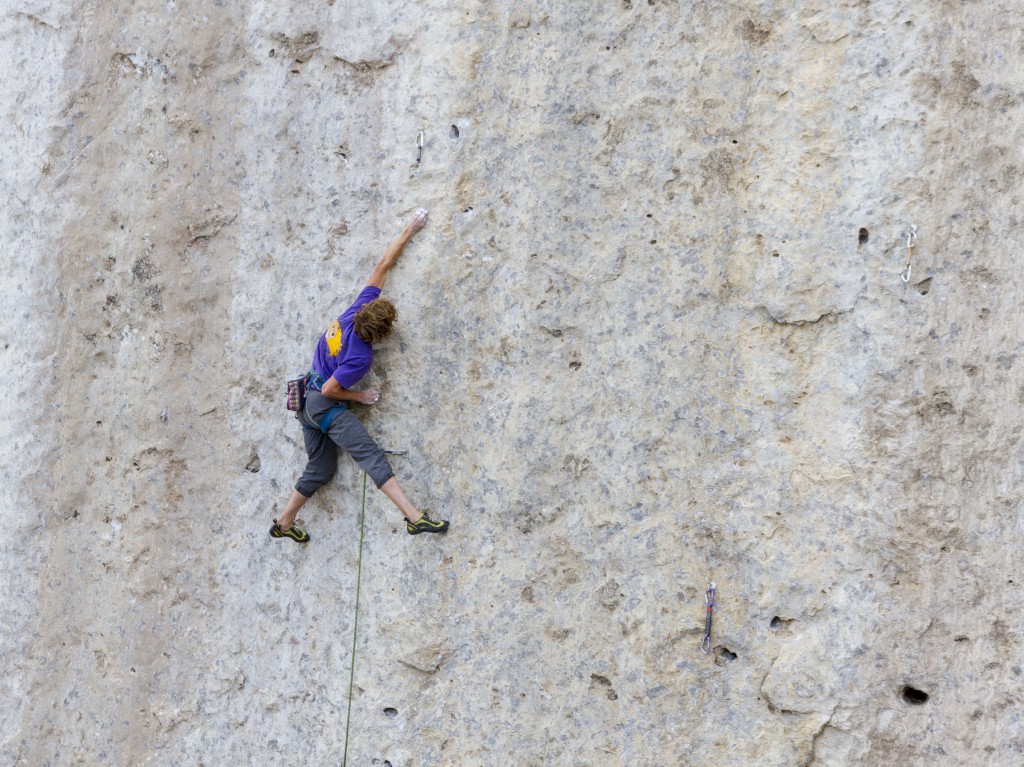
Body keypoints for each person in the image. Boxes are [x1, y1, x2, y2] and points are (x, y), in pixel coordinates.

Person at [270, 208, 449, 543]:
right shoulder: (360, 358)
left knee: (321, 469)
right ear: (380, 334)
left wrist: (409, 229)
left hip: (305, 405)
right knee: (369, 455)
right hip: (324, 404)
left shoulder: (353, 311)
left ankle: (284, 522)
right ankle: (413, 517)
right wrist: (360, 397)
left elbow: (383, 266)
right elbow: (331, 388)